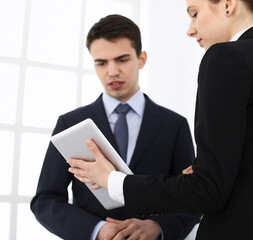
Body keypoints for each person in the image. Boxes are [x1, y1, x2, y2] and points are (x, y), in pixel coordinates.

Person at [68, 0, 253, 239]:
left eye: (194, 14)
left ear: (228, 4)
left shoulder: (225, 58)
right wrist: (218, 172)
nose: (190, 30)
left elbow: (208, 191)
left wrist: (113, 181)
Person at [31, 14, 200, 240]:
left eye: (122, 60)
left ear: (141, 59)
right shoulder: (69, 124)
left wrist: (157, 227)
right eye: (101, 63)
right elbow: (46, 200)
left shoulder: (174, 125)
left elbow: (193, 196)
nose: (112, 72)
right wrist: (97, 230)